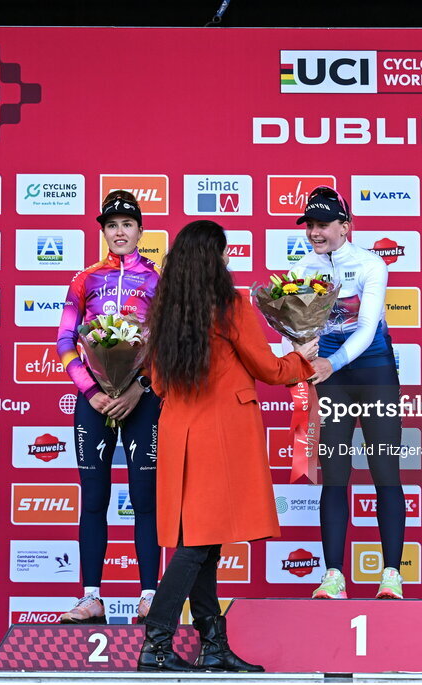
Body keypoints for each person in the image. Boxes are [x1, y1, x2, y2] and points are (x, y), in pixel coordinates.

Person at [136, 220, 317, 672]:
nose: (228, 261)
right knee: (198, 547)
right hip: (219, 438)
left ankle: (213, 647)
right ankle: (155, 646)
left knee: (204, 544)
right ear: (212, 259)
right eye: (223, 254)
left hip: (179, 435)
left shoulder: (164, 309)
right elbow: (269, 369)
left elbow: (156, 382)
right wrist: (304, 357)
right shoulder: (229, 303)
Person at [291, 186, 406, 601]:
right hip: (333, 379)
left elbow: (367, 326)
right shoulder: (303, 268)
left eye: (323, 225)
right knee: (335, 475)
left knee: (385, 471)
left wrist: (328, 363)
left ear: (345, 226)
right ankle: (334, 576)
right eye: (310, 226)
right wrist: (299, 351)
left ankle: (391, 574)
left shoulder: (371, 264)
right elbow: (300, 326)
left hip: (372, 370)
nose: (315, 233)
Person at [56, 191, 161, 624]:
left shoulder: (159, 280)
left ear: (140, 230)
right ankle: (91, 597)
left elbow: (163, 345)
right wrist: (90, 391)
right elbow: (65, 341)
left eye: (127, 224)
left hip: (142, 399)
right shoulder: (84, 280)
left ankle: (150, 596)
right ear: (103, 232)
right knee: (94, 498)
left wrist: (137, 387)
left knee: (145, 499)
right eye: (111, 225)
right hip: (94, 400)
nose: (119, 232)